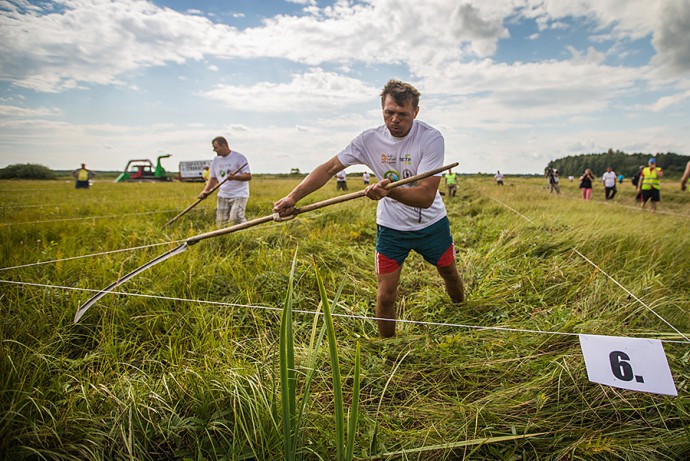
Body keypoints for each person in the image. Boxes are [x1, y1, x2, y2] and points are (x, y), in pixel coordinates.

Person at [273, 79, 464, 338]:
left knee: (449, 272)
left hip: (431, 224)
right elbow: (329, 169)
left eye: (402, 114)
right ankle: (387, 347)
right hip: (391, 228)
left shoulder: (430, 138)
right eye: (389, 112)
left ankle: (462, 313)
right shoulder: (369, 140)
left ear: (416, 112)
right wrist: (292, 197)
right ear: (382, 109)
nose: (395, 120)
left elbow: (426, 196)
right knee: (386, 294)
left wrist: (389, 191)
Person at [198, 136, 252, 225]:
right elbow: (213, 178)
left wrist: (235, 177)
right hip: (223, 195)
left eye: (216, 147)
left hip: (239, 194)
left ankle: (243, 233)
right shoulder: (216, 160)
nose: (214, 150)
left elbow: (248, 176)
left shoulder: (239, 157)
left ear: (224, 146)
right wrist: (205, 191)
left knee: (235, 220)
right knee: (221, 222)